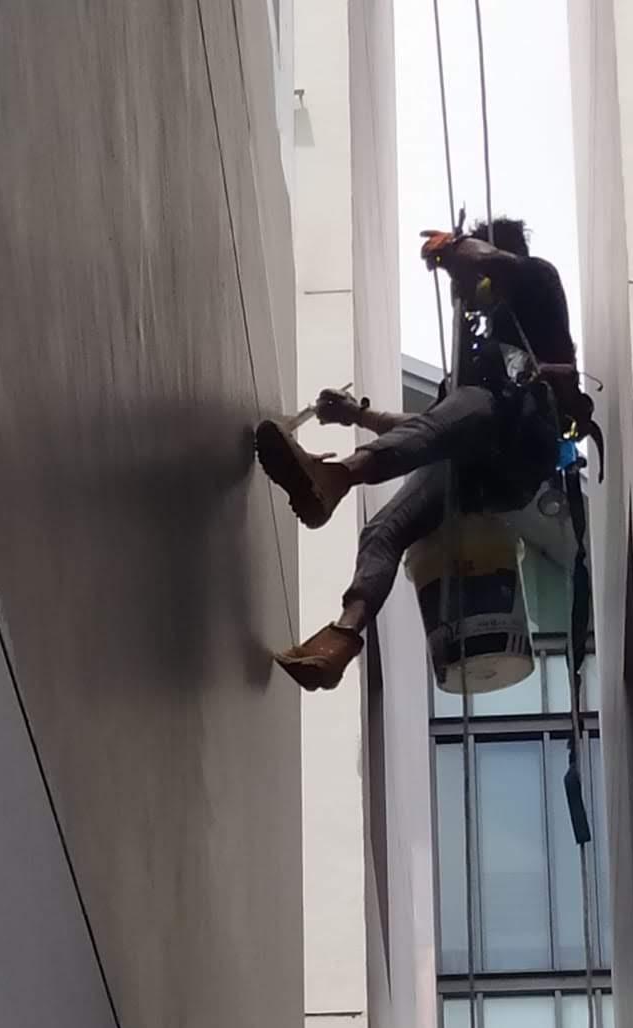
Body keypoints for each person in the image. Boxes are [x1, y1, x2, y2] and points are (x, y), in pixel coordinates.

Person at [255, 218, 598, 691]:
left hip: (522, 441)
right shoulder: (474, 364)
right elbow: (430, 430)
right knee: (383, 531)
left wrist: (453, 248)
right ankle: (339, 640)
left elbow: (490, 263)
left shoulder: (536, 282)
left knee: (475, 404)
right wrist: (357, 415)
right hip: (478, 467)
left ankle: (335, 477)